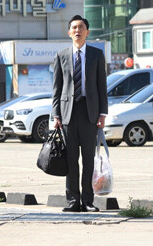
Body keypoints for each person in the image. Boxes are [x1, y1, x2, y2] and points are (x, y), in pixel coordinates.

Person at [52, 15, 108, 212]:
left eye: (81, 27)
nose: (77, 31)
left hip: (89, 113)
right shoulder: (61, 56)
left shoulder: (96, 55)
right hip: (68, 114)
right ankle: (73, 201)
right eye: (74, 28)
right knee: (71, 159)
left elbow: (102, 86)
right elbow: (56, 89)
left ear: (87, 32)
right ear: (69, 33)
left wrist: (102, 113)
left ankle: (88, 201)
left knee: (88, 160)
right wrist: (56, 115)